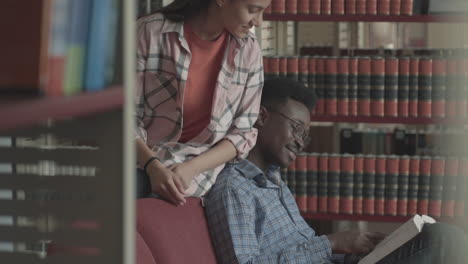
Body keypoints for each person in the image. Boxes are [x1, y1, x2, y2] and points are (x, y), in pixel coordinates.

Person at [204, 78, 467, 264]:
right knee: (441, 240)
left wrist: (354, 252)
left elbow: (301, 250)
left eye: (305, 136)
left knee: (434, 239)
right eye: (296, 128)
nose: (300, 141)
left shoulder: (276, 184)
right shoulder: (234, 189)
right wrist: (331, 243)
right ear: (262, 117)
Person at [135, 0, 271, 204]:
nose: (258, 22)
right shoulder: (149, 32)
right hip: (140, 161)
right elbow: (123, 116)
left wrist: (191, 169)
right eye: (253, 10)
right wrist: (153, 167)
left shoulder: (249, 51)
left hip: (199, 171)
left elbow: (242, 134)